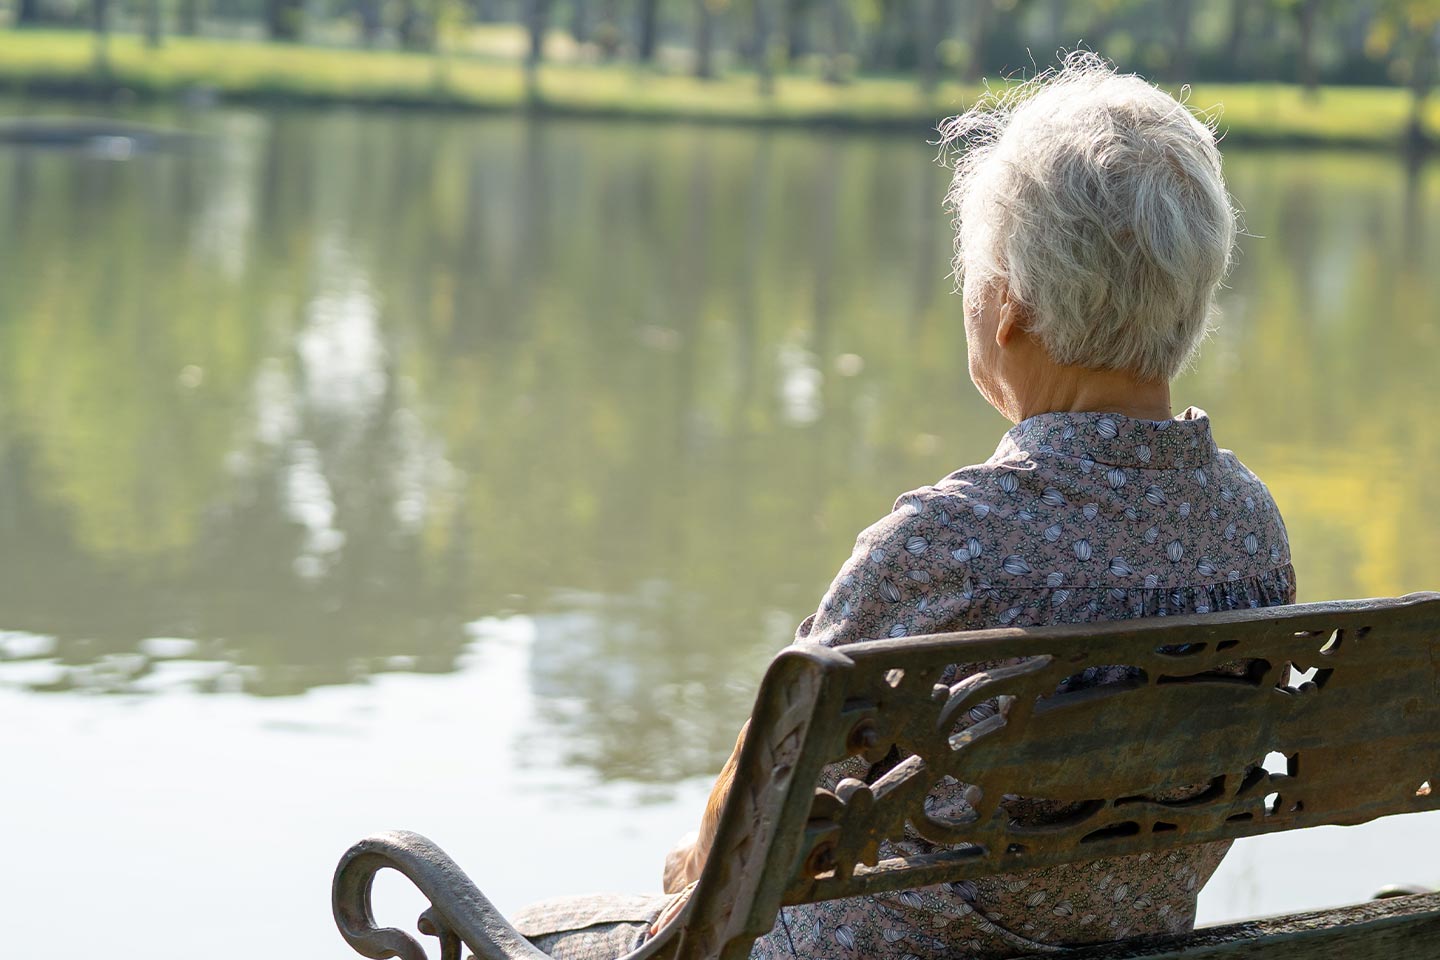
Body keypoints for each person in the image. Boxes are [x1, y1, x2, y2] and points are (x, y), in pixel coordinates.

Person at [513, 52, 1295, 960]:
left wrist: (682, 875)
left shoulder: (947, 545)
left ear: (1008, 306)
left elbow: (756, 816)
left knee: (537, 934)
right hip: (1131, 943)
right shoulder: (1251, 529)